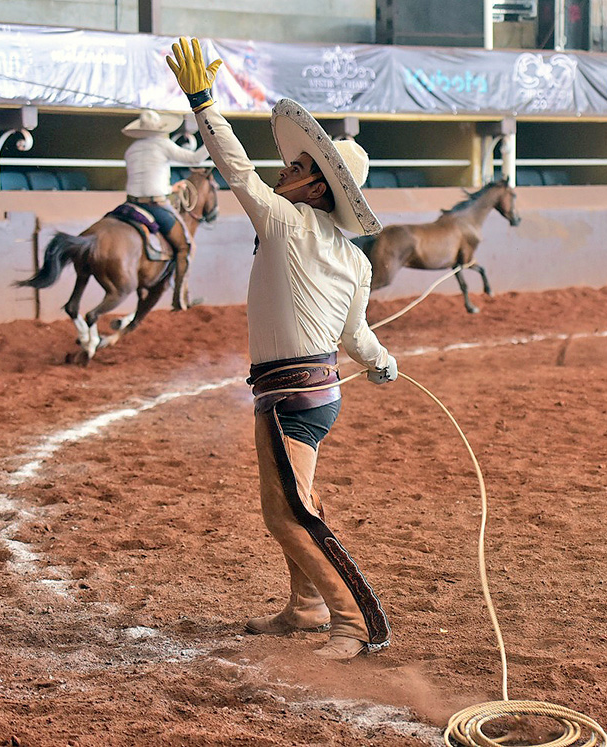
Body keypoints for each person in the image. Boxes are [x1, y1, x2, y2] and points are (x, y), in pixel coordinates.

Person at [167, 37, 398, 661]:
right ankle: (304, 607)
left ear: (318, 189)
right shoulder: (351, 257)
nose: (284, 173)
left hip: (288, 393)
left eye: (296, 169)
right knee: (300, 501)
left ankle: (352, 622)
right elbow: (355, 336)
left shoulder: (281, 221)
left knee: (285, 512)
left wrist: (204, 105)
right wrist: (380, 362)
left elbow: (234, 166)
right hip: (318, 392)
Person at [122, 109, 209, 310]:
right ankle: (179, 297)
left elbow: (145, 178)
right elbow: (196, 159)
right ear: (160, 128)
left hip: (132, 203)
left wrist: (171, 188)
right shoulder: (163, 144)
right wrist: (213, 140)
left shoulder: (131, 150)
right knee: (187, 247)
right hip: (156, 205)